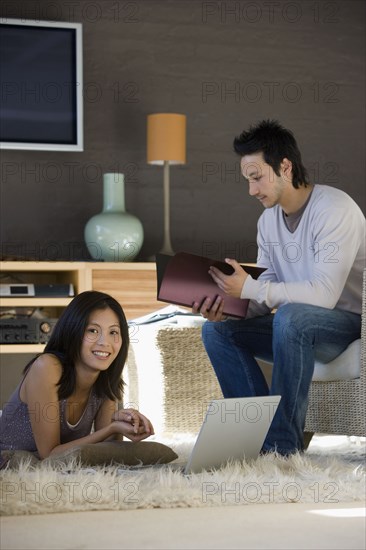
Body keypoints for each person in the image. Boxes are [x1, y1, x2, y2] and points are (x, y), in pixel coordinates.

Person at [193, 119, 365, 456]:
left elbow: (324, 295)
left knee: (290, 317)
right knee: (217, 333)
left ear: (284, 167)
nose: (252, 190)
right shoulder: (268, 222)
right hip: (296, 327)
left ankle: (283, 448)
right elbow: (263, 296)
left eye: (256, 178)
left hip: (349, 324)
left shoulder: (334, 209)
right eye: (248, 181)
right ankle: (252, 441)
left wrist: (252, 289)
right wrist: (225, 304)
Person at [0, 290, 154, 459]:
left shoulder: (105, 375)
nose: (105, 342)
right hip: (10, 467)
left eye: (113, 332)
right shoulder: (47, 367)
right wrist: (112, 427)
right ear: (73, 331)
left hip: (58, 472)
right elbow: (50, 455)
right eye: (93, 331)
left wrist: (120, 420)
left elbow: (108, 450)